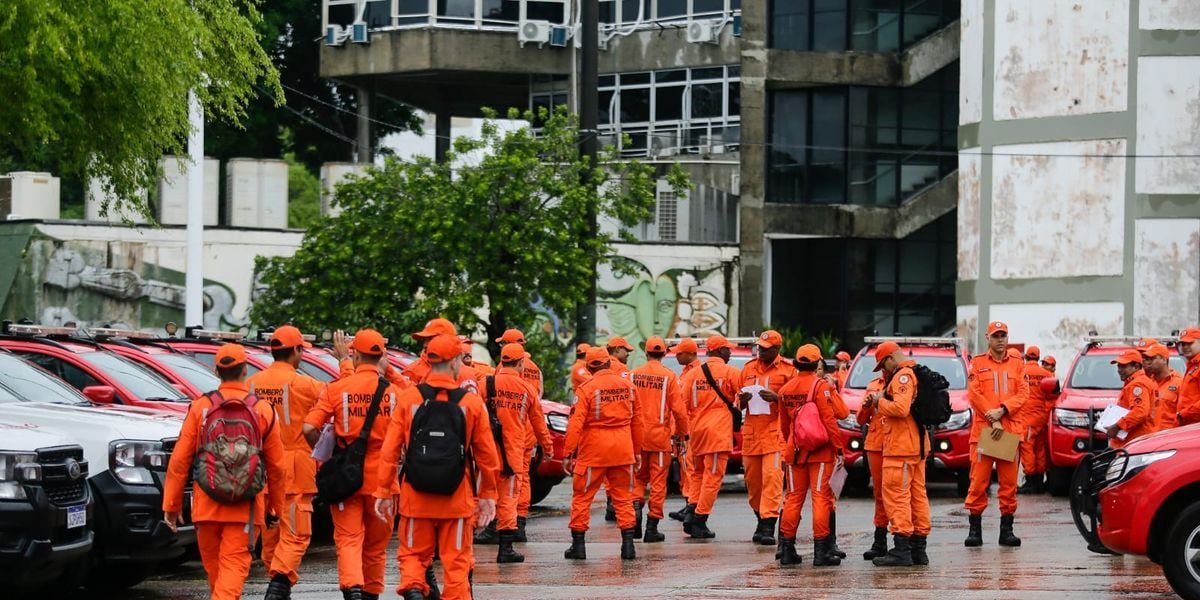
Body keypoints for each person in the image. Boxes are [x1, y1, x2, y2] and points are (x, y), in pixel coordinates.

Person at [374, 334, 501, 600]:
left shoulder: (409, 399)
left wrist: (385, 491)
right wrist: (488, 495)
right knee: (457, 564)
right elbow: (487, 457)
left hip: (415, 498)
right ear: (455, 361)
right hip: (457, 498)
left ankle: (414, 590)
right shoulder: (470, 403)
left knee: (412, 557)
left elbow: (390, 450)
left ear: (429, 361)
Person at [163, 344, 287, 600]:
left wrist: (172, 505)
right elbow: (277, 467)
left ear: (216, 371)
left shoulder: (201, 407)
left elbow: (180, 459)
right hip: (247, 506)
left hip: (207, 503)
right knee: (233, 569)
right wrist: (275, 508)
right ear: (245, 370)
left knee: (216, 572)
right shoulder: (263, 409)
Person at [304, 329, 407, 600]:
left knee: (348, 539)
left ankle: (353, 591)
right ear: (382, 356)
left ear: (356, 354)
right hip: (384, 481)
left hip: (346, 479)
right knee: (375, 546)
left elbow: (308, 427)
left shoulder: (337, 389)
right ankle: (371, 593)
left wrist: (327, 453)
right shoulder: (397, 393)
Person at [248, 326, 327, 600]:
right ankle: (279, 585)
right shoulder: (305, 385)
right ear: (295, 351)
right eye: (301, 349)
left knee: (271, 535)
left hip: (261, 471)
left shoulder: (253, 383)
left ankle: (277, 585)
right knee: (296, 533)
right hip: (294, 469)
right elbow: (337, 397)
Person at [563, 347, 644, 560]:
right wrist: (637, 450)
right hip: (623, 448)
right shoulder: (628, 386)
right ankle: (628, 545)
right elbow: (638, 421)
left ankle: (578, 547)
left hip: (594, 450)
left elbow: (576, 423)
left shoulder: (586, 388)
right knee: (624, 497)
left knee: (582, 497)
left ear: (589, 367)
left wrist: (569, 452)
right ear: (609, 363)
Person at [474, 343, 553, 552]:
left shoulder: (485, 383)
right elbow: (539, 423)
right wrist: (547, 447)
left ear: (502, 360)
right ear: (520, 363)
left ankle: (479, 532)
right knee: (509, 495)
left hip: (487, 450)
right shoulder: (527, 389)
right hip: (513, 451)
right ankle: (506, 548)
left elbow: (471, 414)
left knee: (483, 491)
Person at [776, 344, 848, 566]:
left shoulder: (785, 390)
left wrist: (793, 444)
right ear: (818, 363)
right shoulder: (820, 386)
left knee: (793, 498)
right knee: (821, 499)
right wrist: (838, 449)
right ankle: (821, 552)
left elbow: (785, 425)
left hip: (794, 451)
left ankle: (786, 549)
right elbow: (830, 420)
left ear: (797, 364)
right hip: (819, 452)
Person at [963, 322, 1027, 548]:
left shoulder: (1018, 364)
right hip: (985, 432)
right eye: (995, 336)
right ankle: (974, 529)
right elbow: (974, 395)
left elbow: (1023, 393)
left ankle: (1006, 530)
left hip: (1009, 432)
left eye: (1003, 335)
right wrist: (995, 418)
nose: (1000, 339)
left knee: (1009, 484)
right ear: (987, 338)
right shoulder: (978, 362)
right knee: (978, 482)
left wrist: (1003, 410)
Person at [869, 341, 932, 567]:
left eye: (883, 365)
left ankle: (902, 549)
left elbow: (901, 409)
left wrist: (879, 401)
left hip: (901, 449)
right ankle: (918, 550)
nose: (883, 371)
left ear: (890, 358)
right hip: (915, 447)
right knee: (917, 497)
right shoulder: (914, 373)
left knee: (897, 497)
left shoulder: (902, 376)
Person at [677, 335, 741, 539]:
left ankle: (692, 511)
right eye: (727, 349)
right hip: (718, 432)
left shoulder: (692, 374)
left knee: (697, 474)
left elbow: (682, 404)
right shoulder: (731, 372)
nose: (730, 353)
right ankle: (699, 519)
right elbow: (743, 396)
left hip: (696, 430)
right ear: (719, 351)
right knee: (713, 477)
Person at [737, 330, 795, 546]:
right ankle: (760, 519)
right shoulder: (748, 369)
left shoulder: (788, 371)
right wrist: (742, 400)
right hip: (752, 433)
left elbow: (796, 403)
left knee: (772, 480)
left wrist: (777, 398)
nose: (760, 351)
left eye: (765, 348)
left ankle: (768, 525)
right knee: (754, 484)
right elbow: (738, 403)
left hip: (775, 433)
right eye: (759, 347)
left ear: (777, 349)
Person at [631, 336, 689, 543]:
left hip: (635, 438)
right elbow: (679, 411)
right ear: (664, 354)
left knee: (637, 478)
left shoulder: (633, 375)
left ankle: (635, 511)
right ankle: (652, 527)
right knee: (657, 483)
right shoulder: (669, 376)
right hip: (659, 438)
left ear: (646, 353)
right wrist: (683, 434)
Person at [495, 329, 550, 543]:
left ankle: (502, 525)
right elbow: (539, 398)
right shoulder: (535, 369)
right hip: (527, 430)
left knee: (504, 480)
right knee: (523, 477)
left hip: (508, 432)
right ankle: (520, 521)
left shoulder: (502, 369)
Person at [855, 364, 890, 561]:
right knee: (879, 493)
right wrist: (867, 404)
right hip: (876, 445)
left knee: (899, 493)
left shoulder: (905, 382)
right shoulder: (873, 385)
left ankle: (906, 539)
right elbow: (861, 419)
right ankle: (880, 541)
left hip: (898, 445)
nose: (884, 369)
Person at [668, 338, 700, 523]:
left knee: (689, 470)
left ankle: (691, 507)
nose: (677, 355)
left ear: (690, 353)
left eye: (680, 353)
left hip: (688, 430)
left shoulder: (694, 373)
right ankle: (688, 504)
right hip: (681, 430)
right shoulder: (686, 373)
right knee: (684, 469)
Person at [1017, 346, 1055, 495]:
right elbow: (1053, 396)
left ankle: (1031, 480)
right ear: (1038, 358)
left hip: (1027, 417)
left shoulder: (1021, 372)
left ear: (1026, 357)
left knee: (1027, 447)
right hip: (1041, 417)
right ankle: (1039, 480)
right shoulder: (1047, 374)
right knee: (1040, 448)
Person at [1106, 350, 1159, 448]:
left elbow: (1140, 411)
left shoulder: (1138, 384)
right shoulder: (1136, 382)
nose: (1119, 370)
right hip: (1134, 440)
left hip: (1136, 441)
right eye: (1119, 366)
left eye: (1123, 366)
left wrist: (1118, 426)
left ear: (1136, 366)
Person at [1144, 343, 1182, 430]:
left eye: (1152, 358)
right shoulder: (1146, 382)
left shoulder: (1179, 382)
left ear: (1164, 360)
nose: (1148, 362)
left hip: (1170, 436)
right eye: (1147, 359)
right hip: (1148, 437)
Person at [1174, 328, 1200, 426]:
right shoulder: (1192, 365)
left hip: (1195, 426)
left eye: (1189, 343)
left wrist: (1183, 414)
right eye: (1183, 344)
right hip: (1188, 424)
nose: (1185, 347)